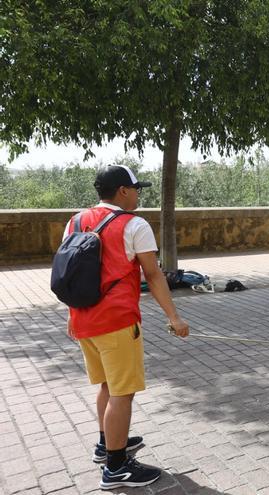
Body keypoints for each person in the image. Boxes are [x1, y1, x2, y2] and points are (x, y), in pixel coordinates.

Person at [62, 165, 189, 490]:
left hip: (83, 320)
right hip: (116, 322)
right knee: (122, 393)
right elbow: (154, 275)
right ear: (122, 191)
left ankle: (108, 443)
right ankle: (117, 466)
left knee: (106, 385)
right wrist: (174, 318)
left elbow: (69, 270)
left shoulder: (75, 220)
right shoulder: (134, 225)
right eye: (136, 188)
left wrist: (69, 314)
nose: (138, 194)